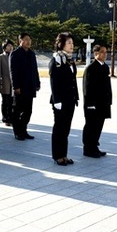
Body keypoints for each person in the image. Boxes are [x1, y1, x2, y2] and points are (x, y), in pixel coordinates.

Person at [49, 32, 78, 166]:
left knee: (66, 129)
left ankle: (64, 154)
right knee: (59, 128)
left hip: (70, 100)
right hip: (60, 101)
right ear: (61, 45)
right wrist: (57, 101)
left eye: (72, 43)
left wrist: (75, 97)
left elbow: (73, 80)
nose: (72, 45)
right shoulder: (56, 60)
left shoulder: (69, 60)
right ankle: (57, 156)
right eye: (69, 43)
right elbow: (54, 83)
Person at [82, 44, 112, 158]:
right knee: (91, 126)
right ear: (96, 54)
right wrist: (90, 104)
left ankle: (95, 147)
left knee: (99, 126)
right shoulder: (91, 68)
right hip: (93, 104)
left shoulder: (105, 67)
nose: (105, 54)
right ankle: (88, 149)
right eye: (102, 52)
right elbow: (87, 88)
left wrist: (109, 101)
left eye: (106, 52)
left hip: (103, 103)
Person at [10, 33, 41, 140]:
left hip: (30, 86)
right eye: (26, 39)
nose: (28, 42)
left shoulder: (31, 54)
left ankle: (24, 130)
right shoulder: (15, 54)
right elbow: (13, 72)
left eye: (29, 39)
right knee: (17, 110)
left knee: (28, 111)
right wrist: (16, 86)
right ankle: (17, 132)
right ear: (20, 41)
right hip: (20, 87)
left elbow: (35, 70)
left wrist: (37, 83)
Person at [0, 40, 14, 126]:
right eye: (8, 46)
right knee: (5, 101)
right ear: (4, 47)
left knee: (12, 101)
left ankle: (11, 117)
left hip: (13, 83)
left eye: (11, 46)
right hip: (4, 82)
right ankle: (5, 117)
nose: (10, 47)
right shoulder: (0, 57)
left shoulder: (14, 56)